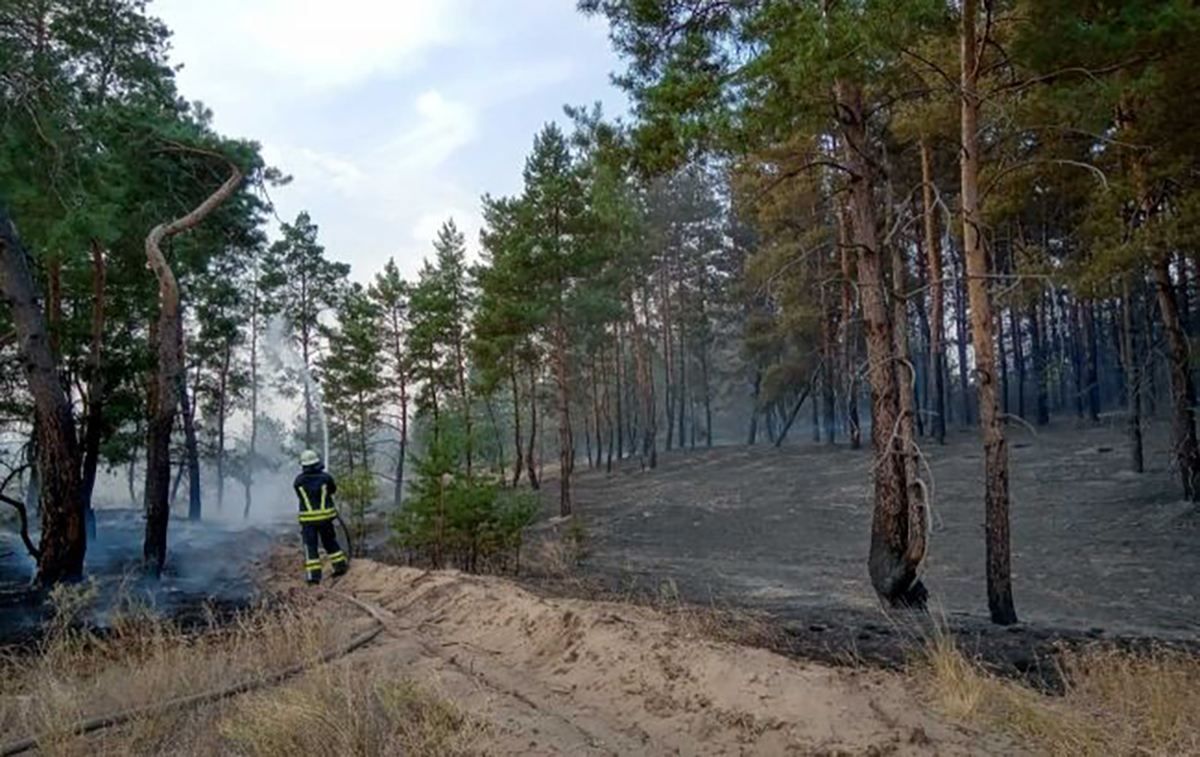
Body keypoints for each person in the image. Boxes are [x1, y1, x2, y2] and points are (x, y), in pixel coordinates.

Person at [294, 449, 348, 584]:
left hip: (308, 522)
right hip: (326, 519)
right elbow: (333, 490)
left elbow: (300, 496)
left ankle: (313, 578)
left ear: (303, 465)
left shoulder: (298, 481)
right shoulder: (326, 478)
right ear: (317, 462)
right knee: (330, 542)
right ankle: (340, 567)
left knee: (310, 547)